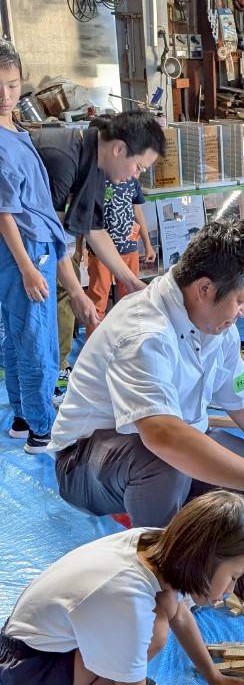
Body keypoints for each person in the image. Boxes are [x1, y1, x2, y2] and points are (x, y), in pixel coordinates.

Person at [50, 215, 244, 527]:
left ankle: (165, 502)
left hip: (171, 440)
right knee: (165, 462)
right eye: (241, 300)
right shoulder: (145, 333)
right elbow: (162, 434)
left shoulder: (219, 327)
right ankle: (157, 541)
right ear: (205, 289)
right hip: (85, 461)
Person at [0, 491, 244, 685]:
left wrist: (214, 676)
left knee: (163, 610)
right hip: (25, 679)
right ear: (206, 559)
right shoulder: (129, 599)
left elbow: (179, 614)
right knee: (154, 633)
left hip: (33, 649)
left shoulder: (159, 544)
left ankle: (101, 684)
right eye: (233, 576)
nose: (231, 590)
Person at [0, 41, 97, 453]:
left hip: (32, 245)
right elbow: (4, 212)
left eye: (12, 85)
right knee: (36, 340)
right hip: (24, 248)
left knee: (18, 335)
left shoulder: (16, 130)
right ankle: (42, 430)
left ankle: (23, 416)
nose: (6, 95)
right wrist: (26, 266)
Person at [35, 109, 165, 397]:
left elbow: (95, 230)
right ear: (119, 149)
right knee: (41, 311)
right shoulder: (62, 159)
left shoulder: (95, 161)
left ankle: (48, 380)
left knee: (60, 296)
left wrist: (131, 281)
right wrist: (78, 292)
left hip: (41, 244)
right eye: (139, 167)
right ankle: (37, 402)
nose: (136, 175)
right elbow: (49, 237)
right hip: (21, 244)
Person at [85, 175, 156, 334]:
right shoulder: (95, 178)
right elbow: (85, 215)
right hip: (100, 252)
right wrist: (79, 247)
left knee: (131, 299)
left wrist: (148, 244)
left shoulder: (132, 181)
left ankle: (129, 338)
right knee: (97, 300)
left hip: (129, 249)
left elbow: (137, 211)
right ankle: (93, 343)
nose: (137, 170)